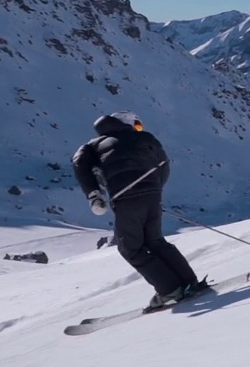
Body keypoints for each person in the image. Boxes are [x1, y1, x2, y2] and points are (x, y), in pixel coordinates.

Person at [72, 111, 208, 309]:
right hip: (152, 194)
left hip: (125, 197)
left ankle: (170, 289)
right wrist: (153, 189)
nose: (137, 129)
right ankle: (188, 282)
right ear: (125, 122)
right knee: (156, 241)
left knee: (130, 248)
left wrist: (94, 195)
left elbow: (79, 165)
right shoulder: (146, 137)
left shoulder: (91, 147)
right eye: (136, 125)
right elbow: (163, 164)